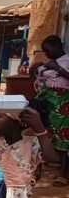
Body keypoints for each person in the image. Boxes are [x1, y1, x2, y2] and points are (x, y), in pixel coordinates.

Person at [34, 35, 69, 187]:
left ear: (57, 46)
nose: (46, 54)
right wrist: (34, 71)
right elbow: (37, 83)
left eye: (48, 51)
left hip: (63, 104)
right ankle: (35, 168)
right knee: (40, 133)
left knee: (64, 137)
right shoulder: (49, 63)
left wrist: (57, 69)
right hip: (47, 102)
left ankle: (64, 173)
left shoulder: (67, 61)